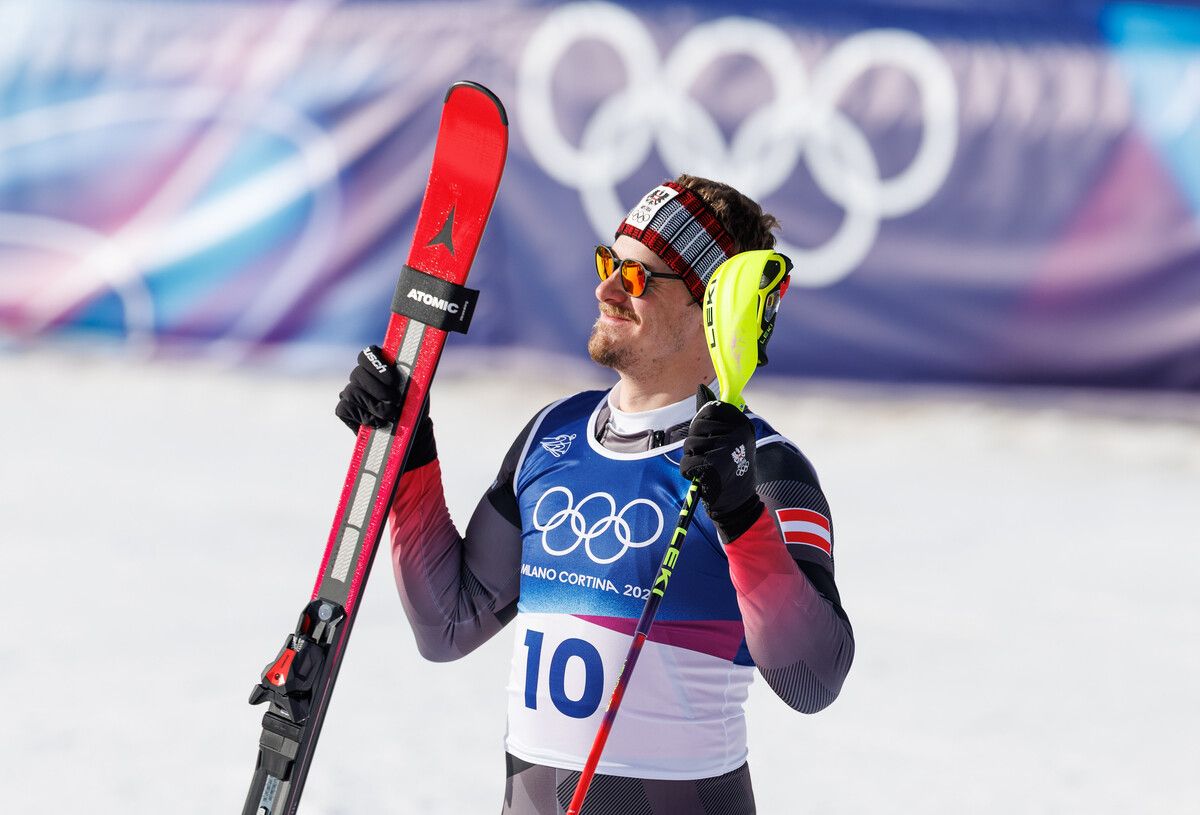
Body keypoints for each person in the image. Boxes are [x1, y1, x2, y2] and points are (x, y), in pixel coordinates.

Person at [336, 175, 855, 814]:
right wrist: (410, 451)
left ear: (712, 307)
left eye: (637, 278)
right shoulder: (553, 433)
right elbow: (448, 625)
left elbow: (814, 679)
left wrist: (741, 515)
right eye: (608, 263)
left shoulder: (767, 468)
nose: (607, 289)